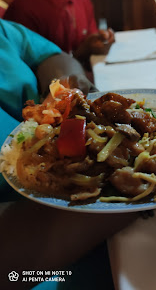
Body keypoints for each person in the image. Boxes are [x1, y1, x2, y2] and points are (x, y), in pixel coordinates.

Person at [0, 18, 136, 290]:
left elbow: (52, 55)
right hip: (38, 265)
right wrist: (132, 194)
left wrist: (65, 86)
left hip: (103, 218)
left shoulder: (4, 30)